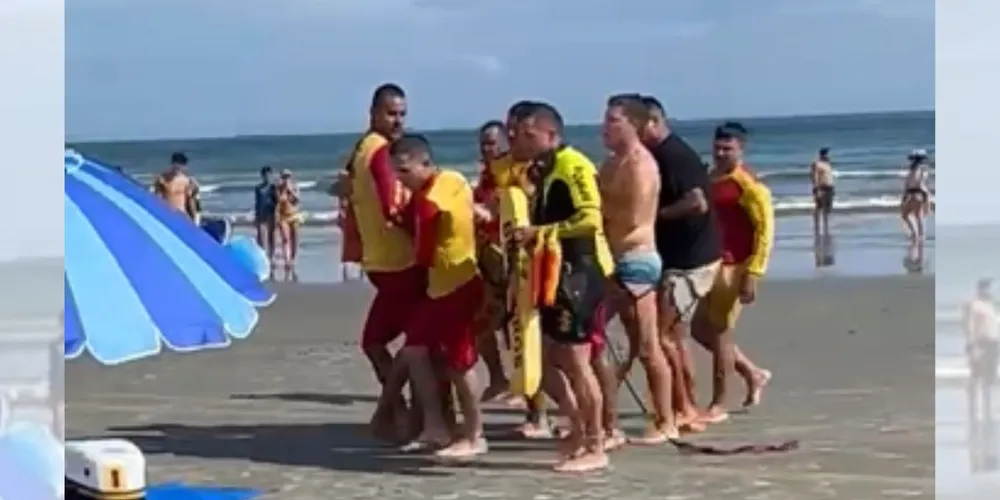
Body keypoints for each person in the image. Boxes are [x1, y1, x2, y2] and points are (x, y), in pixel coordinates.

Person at [512, 102, 613, 472]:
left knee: (577, 360)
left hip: (582, 272)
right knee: (551, 355)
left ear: (550, 134)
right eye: (516, 134)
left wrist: (540, 232)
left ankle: (596, 444)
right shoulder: (543, 169)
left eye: (528, 135)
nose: (519, 140)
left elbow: (590, 219)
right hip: (558, 272)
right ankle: (579, 429)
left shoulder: (574, 165)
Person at [389, 134, 488, 458]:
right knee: (415, 350)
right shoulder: (456, 179)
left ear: (425, 163)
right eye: (396, 172)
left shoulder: (427, 201)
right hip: (442, 287)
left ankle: (474, 435)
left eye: (405, 171)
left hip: (457, 286)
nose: (400, 179)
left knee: (460, 364)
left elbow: (424, 253)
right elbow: (475, 211)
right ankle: (436, 427)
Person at [344, 83, 423, 443]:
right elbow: (392, 204)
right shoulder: (377, 151)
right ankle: (403, 412)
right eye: (391, 113)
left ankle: (400, 413)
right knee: (409, 344)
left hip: (392, 264)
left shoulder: (366, 148)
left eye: (402, 114)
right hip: (393, 261)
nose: (398, 121)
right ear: (374, 113)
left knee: (388, 343)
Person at [638, 95, 720, 431]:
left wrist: (653, 216)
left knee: (666, 338)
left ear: (653, 122)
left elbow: (698, 202)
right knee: (674, 336)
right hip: (679, 258)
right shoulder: (659, 154)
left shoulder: (674, 155)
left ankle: (687, 407)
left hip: (690, 260)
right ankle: (684, 405)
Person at [598, 94, 676, 443]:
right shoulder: (610, 163)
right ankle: (605, 420)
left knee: (647, 346)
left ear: (634, 124)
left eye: (613, 121)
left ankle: (666, 420)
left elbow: (630, 219)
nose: (605, 127)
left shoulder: (641, 165)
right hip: (612, 258)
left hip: (636, 260)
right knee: (604, 344)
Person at [697, 121, 774, 423]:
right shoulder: (709, 177)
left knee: (720, 334)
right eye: (717, 147)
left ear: (741, 149)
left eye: (727, 149)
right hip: (710, 262)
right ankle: (752, 373)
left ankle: (719, 402)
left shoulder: (748, 184)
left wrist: (753, 273)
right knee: (699, 329)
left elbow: (765, 232)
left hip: (736, 265)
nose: (720, 153)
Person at [963, 278, 998, 422]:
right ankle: (971, 406)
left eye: (989, 287)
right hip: (980, 342)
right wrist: (971, 343)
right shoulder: (974, 305)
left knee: (989, 374)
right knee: (976, 373)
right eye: (985, 287)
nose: (988, 290)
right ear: (980, 289)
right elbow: (970, 325)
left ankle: (987, 405)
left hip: (993, 342)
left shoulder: (991, 304)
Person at [153, 152, 200, 222]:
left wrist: (194, 218)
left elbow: (191, 201)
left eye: (181, 166)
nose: (178, 168)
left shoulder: (187, 181)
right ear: (172, 164)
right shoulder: (162, 179)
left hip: (182, 215)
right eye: (176, 165)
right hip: (167, 214)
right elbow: (157, 199)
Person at [276, 169, 301, 277]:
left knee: (295, 239)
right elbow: (279, 200)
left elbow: (297, 200)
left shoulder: (295, 186)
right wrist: (284, 190)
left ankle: (292, 259)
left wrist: (291, 191)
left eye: (288, 177)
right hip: (283, 217)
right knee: (286, 239)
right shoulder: (279, 188)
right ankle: (287, 261)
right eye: (284, 177)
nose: (286, 179)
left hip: (294, 215)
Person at [901, 149, 931, 241]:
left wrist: (904, 197)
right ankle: (920, 234)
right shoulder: (922, 170)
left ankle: (915, 233)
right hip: (919, 194)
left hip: (914, 194)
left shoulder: (915, 169)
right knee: (918, 215)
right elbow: (920, 183)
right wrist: (926, 197)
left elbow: (911, 184)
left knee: (906, 215)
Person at [253, 166, 278, 268]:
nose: (267, 177)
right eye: (265, 175)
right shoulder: (258, 188)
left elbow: (278, 201)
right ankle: (263, 257)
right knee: (261, 237)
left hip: (271, 213)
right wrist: (256, 215)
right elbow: (257, 203)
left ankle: (272, 256)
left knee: (272, 235)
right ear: (262, 176)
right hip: (261, 213)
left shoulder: (274, 187)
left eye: (269, 175)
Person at [810, 147, 835, 237]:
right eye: (827, 154)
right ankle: (817, 225)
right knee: (819, 206)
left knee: (828, 206)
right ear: (823, 155)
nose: (829, 156)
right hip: (821, 186)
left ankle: (826, 224)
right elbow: (814, 176)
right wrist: (816, 187)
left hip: (829, 187)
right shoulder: (817, 164)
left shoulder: (828, 164)